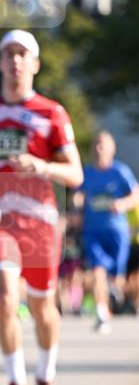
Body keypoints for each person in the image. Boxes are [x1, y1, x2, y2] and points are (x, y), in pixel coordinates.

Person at [0, 30, 83, 385]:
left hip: (40, 222)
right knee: (3, 298)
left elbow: (76, 174)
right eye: (9, 53)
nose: (16, 60)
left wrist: (43, 166)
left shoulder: (52, 113)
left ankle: (45, 380)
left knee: (41, 306)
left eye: (23, 54)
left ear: (35, 64)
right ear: (0, 62)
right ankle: (16, 383)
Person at [75, 131, 139, 333]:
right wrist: (77, 204)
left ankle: (117, 292)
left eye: (103, 145)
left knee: (118, 278)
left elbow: (135, 195)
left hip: (117, 232)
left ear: (112, 149)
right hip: (93, 231)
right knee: (97, 271)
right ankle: (102, 313)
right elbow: (78, 194)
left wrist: (122, 204)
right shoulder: (87, 172)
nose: (98, 149)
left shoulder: (120, 171)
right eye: (96, 144)